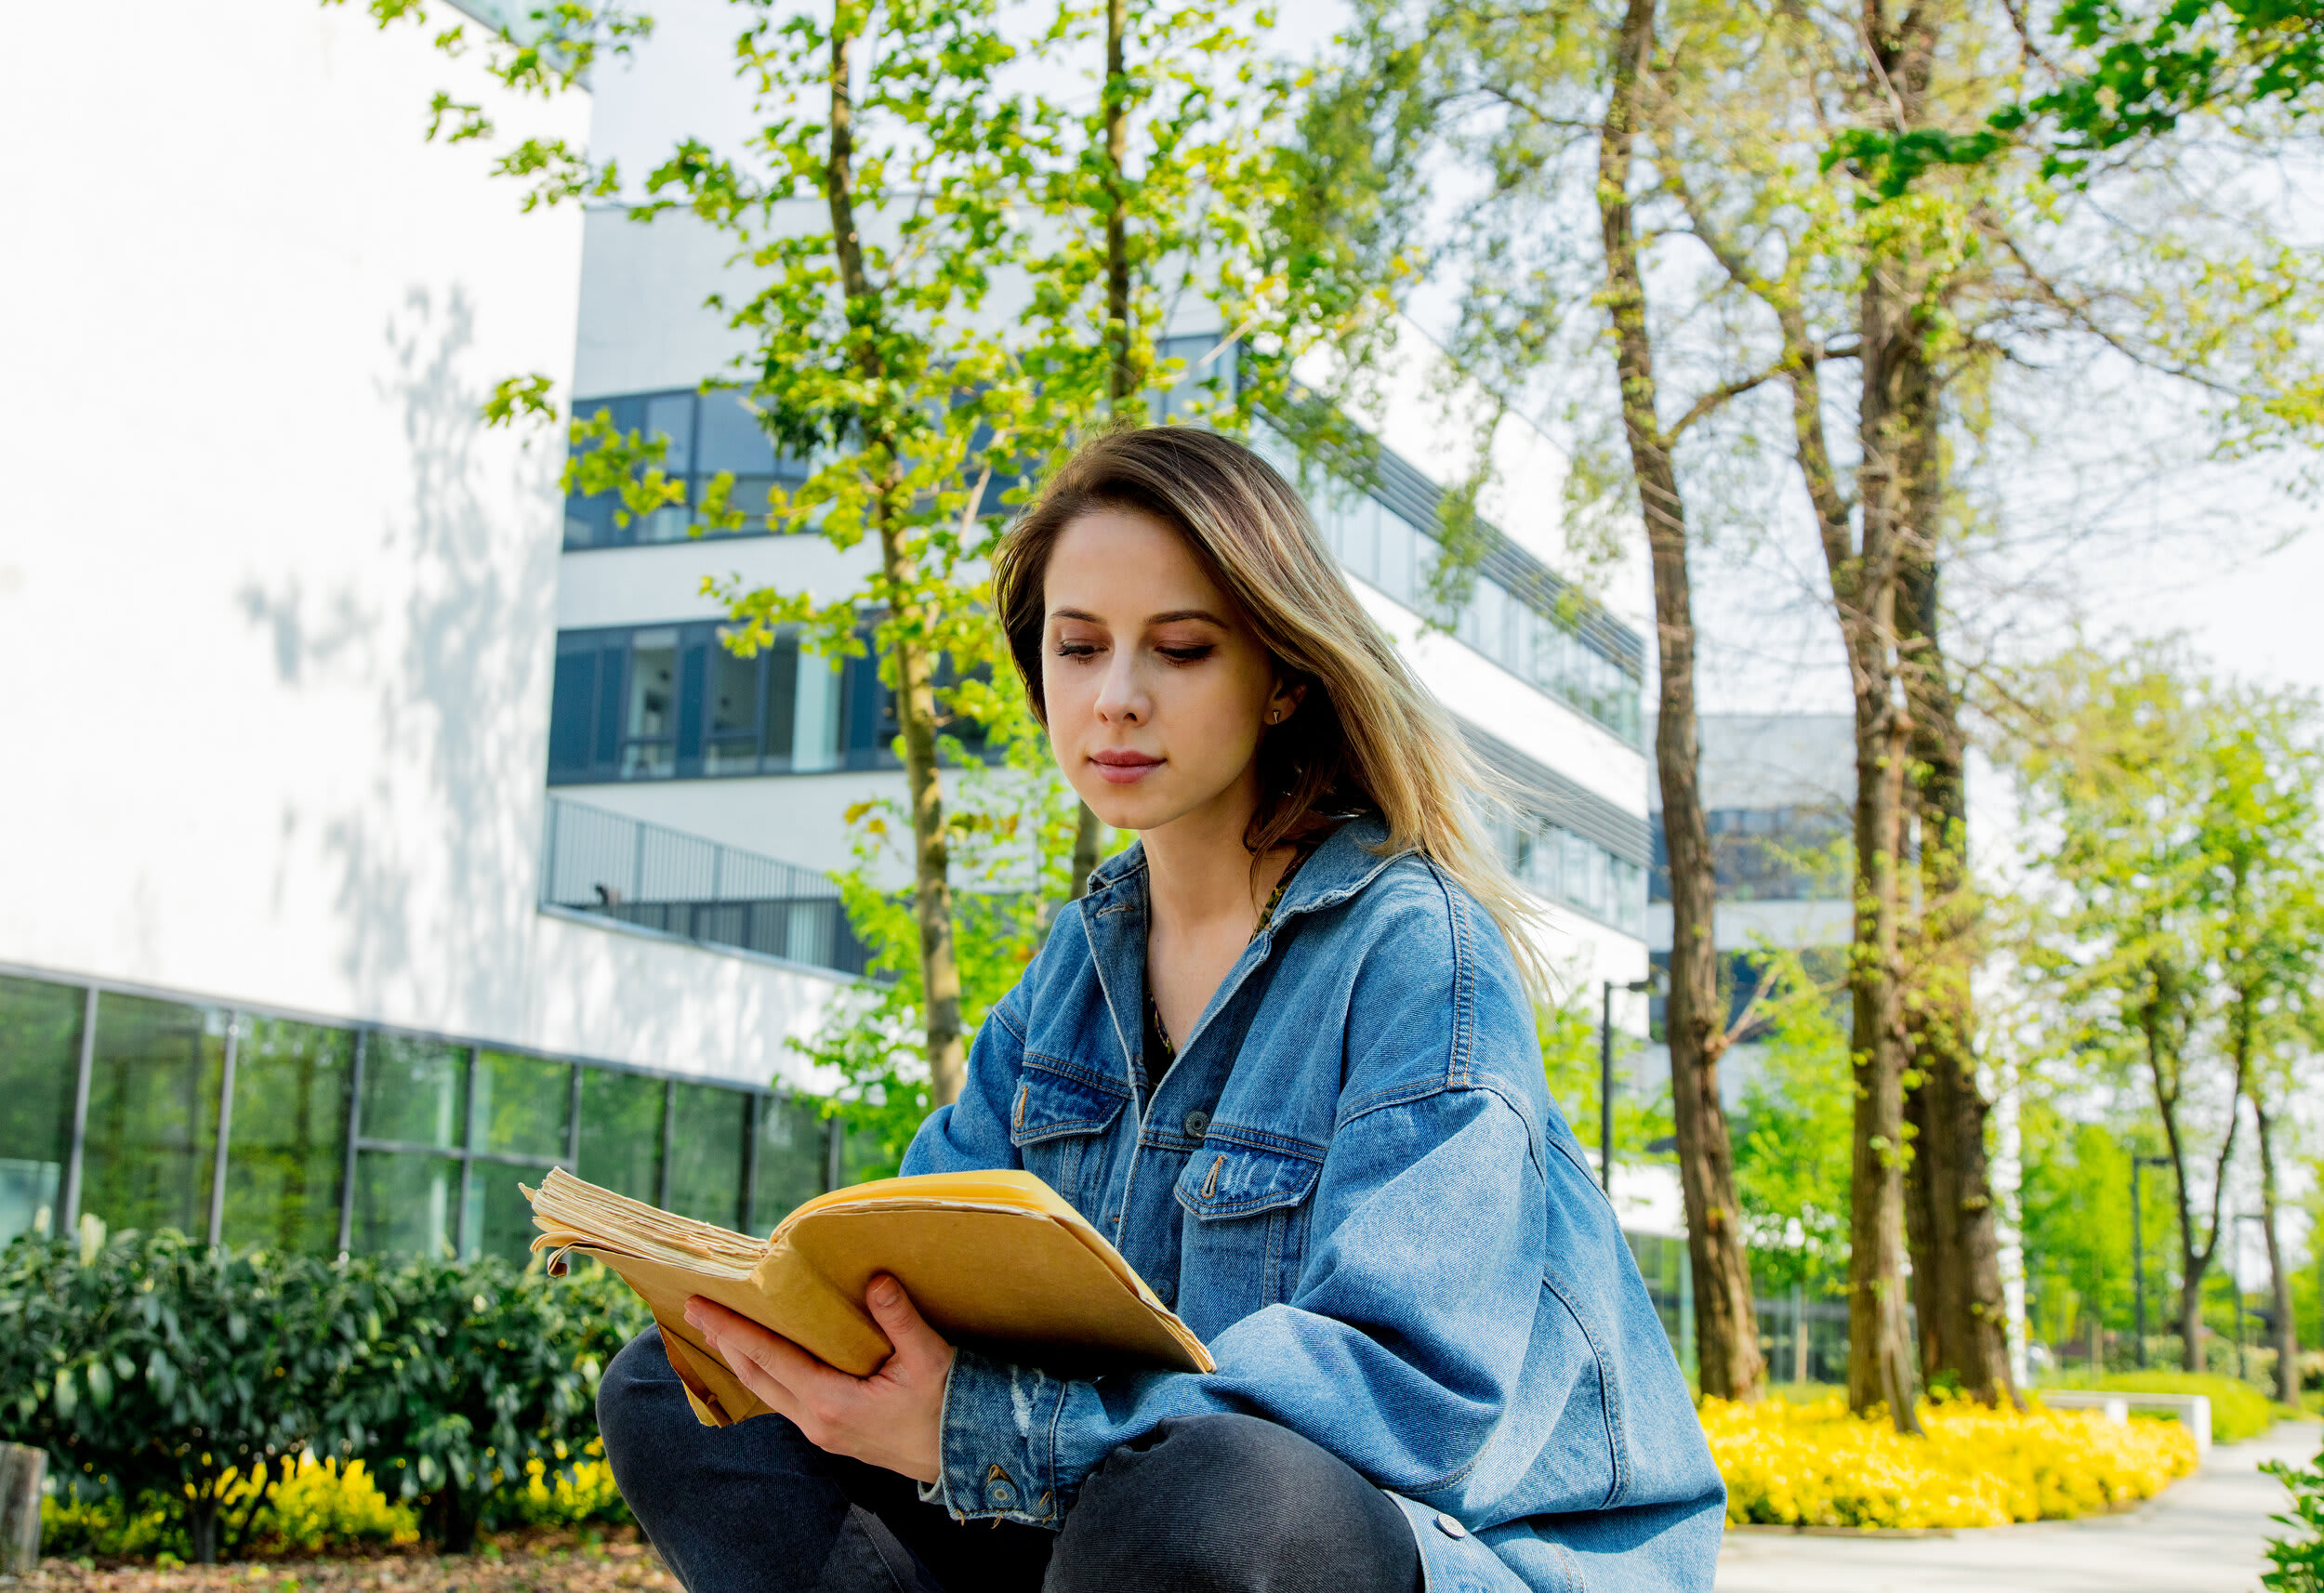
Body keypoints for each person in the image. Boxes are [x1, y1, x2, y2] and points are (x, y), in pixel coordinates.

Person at [597, 427, 1724, 1593]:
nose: (1115, 699)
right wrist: (798, 1332)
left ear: (1285, 675)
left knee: (1218, 1493)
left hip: (1447, 1550)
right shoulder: (1074, 969)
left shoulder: (1415, 952)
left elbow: (1404, 1391)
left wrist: (986, 1431)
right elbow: (911, 1267)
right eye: (1077, 647)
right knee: (682, 1394)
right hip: (1113, 1527)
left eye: (1179, 650)